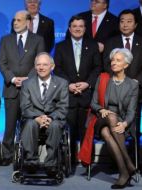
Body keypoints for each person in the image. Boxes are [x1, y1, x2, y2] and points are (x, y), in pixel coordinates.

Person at [0, 10, 45, 166]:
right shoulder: (5, 40)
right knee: (9, 125)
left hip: (31, 89)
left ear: (28, 22)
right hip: (11, 88)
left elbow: (39, 62)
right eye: (14, 20)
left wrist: (27, 79)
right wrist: (12, 78)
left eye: (19, 20)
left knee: (28, 124)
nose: (15, 23)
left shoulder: (38, 40)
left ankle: (27, 155)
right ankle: (7, 155)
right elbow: (2, 63)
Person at [54, 15, 101, 167]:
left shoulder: (92, 45)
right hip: (69, 95)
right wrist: (69, 84)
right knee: (70, 129)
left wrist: (87, 83)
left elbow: (97, 68)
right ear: (69, 29)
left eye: (81, 26)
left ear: (85, 29)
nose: (78, 29)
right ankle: (70, 160)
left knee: (86, 130)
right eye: (75, 26)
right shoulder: (61, 46)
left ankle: (87, 161)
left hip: (87, 94)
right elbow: (58, 69)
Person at [90, 48, 138, 189]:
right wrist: (101, 109)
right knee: (110, 117)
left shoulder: (133, 85)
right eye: (112, 60)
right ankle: (129, 162)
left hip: (121, 123)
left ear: (126, 65)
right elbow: (93, 103)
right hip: (101, 118)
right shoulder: (103, 78)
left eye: (118, 60)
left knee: (106, 132)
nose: (113, 63)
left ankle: (123, 172)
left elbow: (131, 111)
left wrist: (124, 124)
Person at [20, 52, 69, 176]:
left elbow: (63, 107)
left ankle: (51, 163)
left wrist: (50, 118)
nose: (41, 67)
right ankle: (31, 161)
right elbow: (25, 106)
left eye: (45, 64)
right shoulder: (27, 84)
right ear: (35, 67)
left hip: (54, 119)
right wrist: (37, 117)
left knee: (55, 125)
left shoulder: (62, 83)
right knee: (30, 124)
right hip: (33, 118)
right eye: (38, 64)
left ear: (52, 66)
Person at [103, 9, 142, 99]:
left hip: (137, 89)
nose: (125, 25)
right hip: (115, 88)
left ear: (135, 24)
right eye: (122, 21)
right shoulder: (110, 42)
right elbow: (107, 63)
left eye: (129, 21)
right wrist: (119, 80)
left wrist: (136, 81)